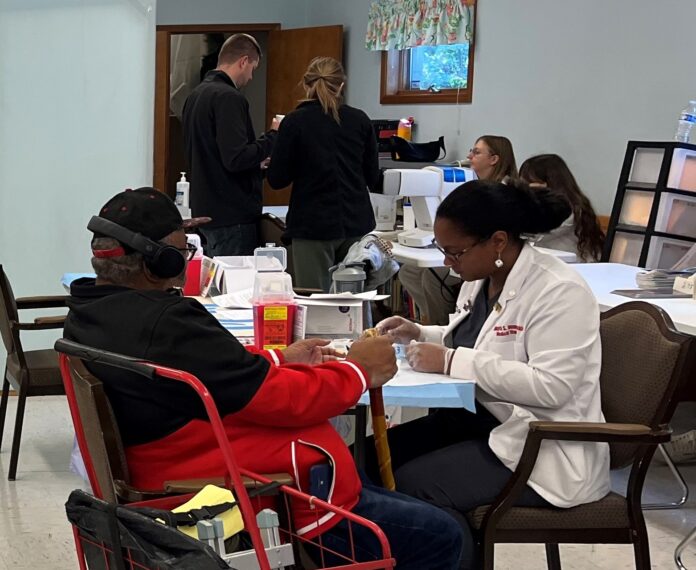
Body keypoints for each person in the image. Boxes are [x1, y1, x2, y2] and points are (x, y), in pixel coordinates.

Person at [63, 187, 464, 569]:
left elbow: (215, 372)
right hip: (264, 501)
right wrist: (358, 371)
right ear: (159, 260)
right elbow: (277, 400)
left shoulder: (92, 312)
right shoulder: (166, 321)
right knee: (443, 534)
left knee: (383, 487)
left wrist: (279, 356)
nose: (184, 258)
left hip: (219, 478)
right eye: (181, 249)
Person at [370, 179, 610, 569]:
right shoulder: (482, 279)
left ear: (498, 241)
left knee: (414, 486)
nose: (448, 262)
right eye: (443, 251)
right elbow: (482, 342)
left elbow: (553, 387)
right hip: (478, 422)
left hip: (540, 445)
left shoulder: (559, 291)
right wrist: (421, 333)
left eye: (455, 252)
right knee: (365, 463)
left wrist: (449, 360)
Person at [267, 56, 379, 291]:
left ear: (307, 85)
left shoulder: (294, 122)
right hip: (356, 224)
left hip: (313, 226)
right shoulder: (360, 120)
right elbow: (372, 177)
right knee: (355, 302)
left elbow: (277, 179)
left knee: (316, 303)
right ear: (341, 85)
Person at [398, 135, 518, 325]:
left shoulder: (504, 192)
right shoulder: (478, 188)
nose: (470, 156)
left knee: (433, 276)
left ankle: (444, 326)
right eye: (471, 151)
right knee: (408, 272)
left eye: (477, 152)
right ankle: (432, 318)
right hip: (474, 245)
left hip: (489, 253)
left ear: (494, 159)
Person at [182, 33, 280, 256]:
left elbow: (214, 155)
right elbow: (235, 158)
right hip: (232, 218)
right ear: (243, 61)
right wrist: (273, 136)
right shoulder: (229, 98)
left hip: (205, 213)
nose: (251, 77)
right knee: (236, 285)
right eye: (253, 68)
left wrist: (257, 164)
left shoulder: (195, 96)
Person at [519, 153, 605, 261]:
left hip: (576, 267)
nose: (524, 189)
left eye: (529, 183)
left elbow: (534, 234)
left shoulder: (570, 209)